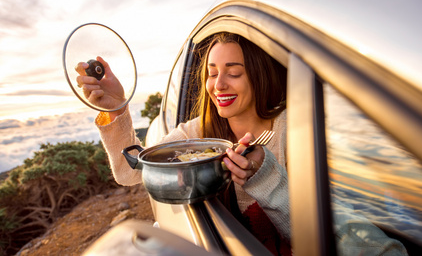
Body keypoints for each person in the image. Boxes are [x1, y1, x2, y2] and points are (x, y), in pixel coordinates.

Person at [76, 32, 290, 254]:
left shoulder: (290, 130)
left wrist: (265, 177)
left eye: (234, 73)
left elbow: (314, 234)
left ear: (259, 75)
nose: (218, 85)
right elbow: (129, 171)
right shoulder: (196, 132)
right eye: (212, 73)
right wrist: (117, 107)